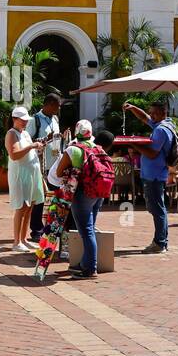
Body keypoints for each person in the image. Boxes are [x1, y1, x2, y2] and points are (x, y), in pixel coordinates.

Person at [54, 120, 108, 280]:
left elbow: (58, 172)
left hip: (82, 193)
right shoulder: (98, 148)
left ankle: (91, 268)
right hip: (99, 193)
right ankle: (85, 262)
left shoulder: (73, 149)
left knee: (86, 231)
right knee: (90, 228)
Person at [123, 99, 177, 254]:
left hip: (154, 175)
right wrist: (133, 108)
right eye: (151, 112)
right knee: (158, 208)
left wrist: (133, 143)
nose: (151, 116)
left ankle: (159, 243)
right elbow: (144, 117)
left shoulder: (160, 130)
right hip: (156, 174)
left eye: (155, 113)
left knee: (157, 209)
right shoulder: (166, 124)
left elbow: (152, 153)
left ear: (163, 113)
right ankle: (161, 241)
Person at [6, 106, 46, 251]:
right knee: (21, 208)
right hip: (20, 175)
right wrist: (31, 147)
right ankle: (16, 242)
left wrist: (37, 147)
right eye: (22, 120)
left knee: (29, 207)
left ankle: (23, 239)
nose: (25, 122)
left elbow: (29, 151)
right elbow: (14, 155)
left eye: (26, 120)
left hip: (31, 174)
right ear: (14, 119)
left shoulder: (25, 134)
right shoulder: (11, 134)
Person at [27, 93, 63, 243]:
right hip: (40, 165)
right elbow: (27, 142)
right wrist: (44, 140)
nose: (58, 108)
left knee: (53, 197)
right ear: (48, 104)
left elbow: (55, 138)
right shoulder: (34, 120)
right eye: (56, 105)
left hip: (54, 164)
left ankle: (50, 227)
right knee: (39, 198)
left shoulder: (55, 119)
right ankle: (36, 229)